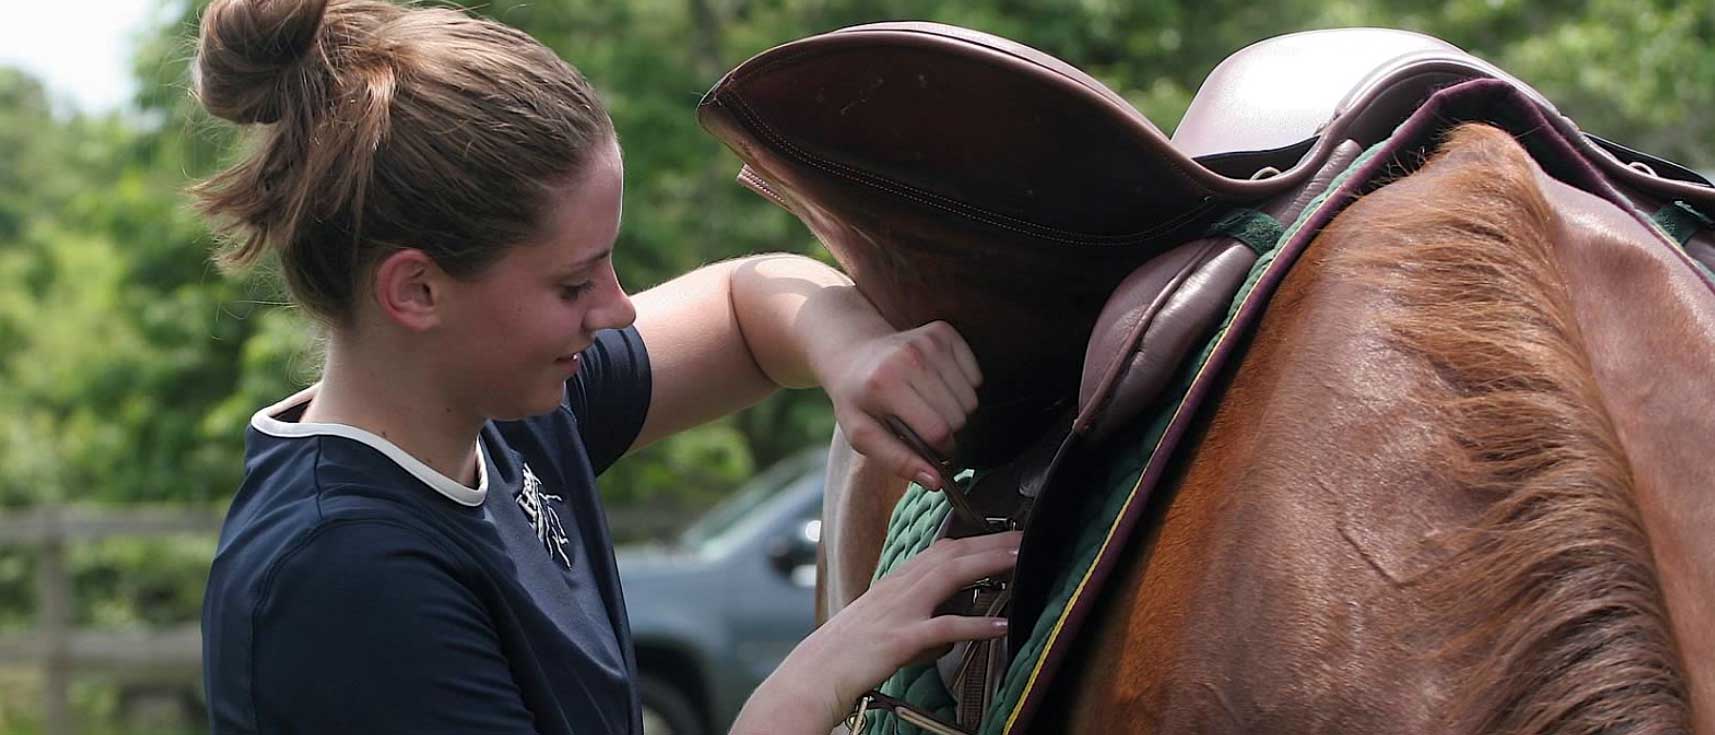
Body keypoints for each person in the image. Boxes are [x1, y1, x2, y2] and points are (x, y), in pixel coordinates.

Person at [191, 0, 1018, 733]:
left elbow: (741, 303)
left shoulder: (499, 415)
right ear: (417, 289)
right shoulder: (344, 579)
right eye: (573, 282)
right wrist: (811, 681)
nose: (618, 309)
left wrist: (854, 349)